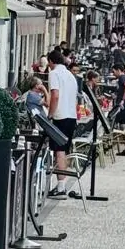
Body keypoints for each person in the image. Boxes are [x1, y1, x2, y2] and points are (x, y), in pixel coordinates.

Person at [46, 46, 82, 191]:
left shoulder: (54, 73)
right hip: (71, 115)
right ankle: (62, 183)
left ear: (51, 61)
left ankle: (61, 186)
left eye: (49, 63)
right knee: (63, 150)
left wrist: (50, 114)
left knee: (59, 151)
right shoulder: (70, 75)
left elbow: (55, 95)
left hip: (60, 116)